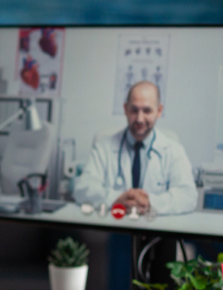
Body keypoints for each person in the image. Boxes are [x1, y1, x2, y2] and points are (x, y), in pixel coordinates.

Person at [71, 81, 197, 215]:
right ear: (125, 109)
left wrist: (150, 202)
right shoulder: (103, 147)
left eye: (147, 110)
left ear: (159, 111)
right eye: (134, 110)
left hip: (156, 230)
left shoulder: (173, 150)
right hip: (114, 226)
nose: (139, 119)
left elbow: (188, 196)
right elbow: (82, 189)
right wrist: (116, 199)